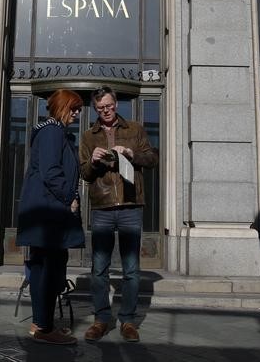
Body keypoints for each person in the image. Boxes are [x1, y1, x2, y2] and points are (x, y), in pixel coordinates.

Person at [79, 86, 159, 343]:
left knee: (131, 269)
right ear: (95, 109)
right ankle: (102, 319)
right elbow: (85, 174)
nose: (106, 112)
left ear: (116, 104)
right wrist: (92, 161)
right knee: (99, 268)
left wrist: (132, 154)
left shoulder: (134, 129)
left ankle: (128, 321)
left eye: (110, 106)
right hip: (102, 207)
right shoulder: (88, 136)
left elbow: (152, 158)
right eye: (101, 108)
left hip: (131, 204)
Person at [16, 89, 85, 345]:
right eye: (74, 108)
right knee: (46, 269)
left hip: (49, 213)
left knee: (51, 267)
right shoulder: (52, 132)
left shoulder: (57, 133)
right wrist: (70, 198)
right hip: (48, 214)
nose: (78, 114)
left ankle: (42, 324)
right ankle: (42, 328)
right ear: (62, 107)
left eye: (79, 109)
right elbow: (51, 171)